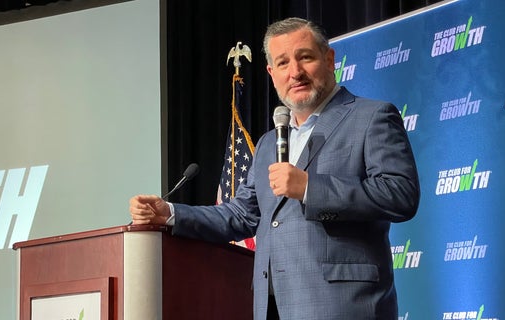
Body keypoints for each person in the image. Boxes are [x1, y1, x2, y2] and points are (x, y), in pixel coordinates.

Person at [129, 17, 420, 320]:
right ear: (271, 73)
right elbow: (240, 214)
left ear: (329, 59)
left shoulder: (372, 116)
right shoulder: (269, 142)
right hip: (273, 307)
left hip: (344, 306)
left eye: (305, 57)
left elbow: (400, 194)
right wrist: (170, 213)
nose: (295, 72)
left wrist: (309, 187)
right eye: (282, 63)